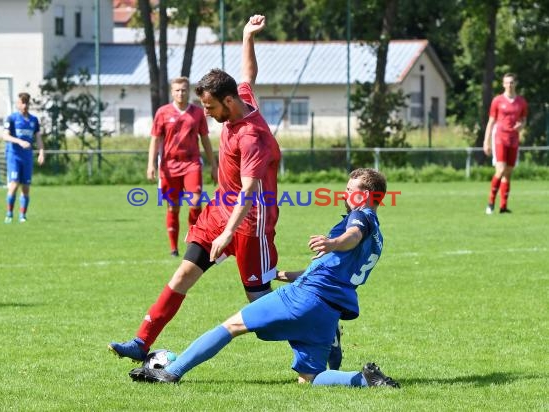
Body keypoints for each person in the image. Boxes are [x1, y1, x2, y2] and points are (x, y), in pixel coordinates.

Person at [109, 15, 282, 362]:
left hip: (251, 221)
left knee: (260, 308)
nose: (206, 112)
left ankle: (319, 333)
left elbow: (249, 193)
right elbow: (248, 74)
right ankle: (141, 342)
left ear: (229, 102)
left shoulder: (253, 137)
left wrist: (228, 233)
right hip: (219, 211)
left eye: (210, 107)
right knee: (184, 272)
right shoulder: (239, 97)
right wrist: (247, 36)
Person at [128, 168, 400, 389]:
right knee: (310, 378)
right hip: (328, 310)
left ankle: (170, 372)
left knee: (232, 326)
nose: (345, 193)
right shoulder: (378, 237)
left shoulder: (360, 217)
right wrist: (284, 274)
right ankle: (365, 380)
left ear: (364, 196)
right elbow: (334, 267)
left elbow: (351, 236)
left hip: (303, 298)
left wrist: (333, 242)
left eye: (350, 190)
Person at [148, 76, 218, 256]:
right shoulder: (162, 112)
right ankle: (173, 248)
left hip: (191, 163)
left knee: (195, 203)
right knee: (174, 206)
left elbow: (205, 139)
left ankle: (194, 243)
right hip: (169, 165)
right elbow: (155, 139)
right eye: (177, 90)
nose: (180, 93)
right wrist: (151, 164)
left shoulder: (197, 113)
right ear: (172, 92)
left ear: (189, 91)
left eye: (184, 90)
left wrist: (214, 165)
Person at [483, 73, 528, 214]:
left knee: (508, 173)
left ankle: (503, 207)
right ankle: (490, 204)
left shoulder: (521, 102)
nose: (509, 85)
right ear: (503, 84)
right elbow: (491, 122)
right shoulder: (497, 100)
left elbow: (524, 119)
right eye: (507, 83)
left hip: (513, 139)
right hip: (500, 138)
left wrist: (521, 125)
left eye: (512, 82)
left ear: (516, 84)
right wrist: (486, 141)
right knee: (500, 170)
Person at [3, 92, 45, 223]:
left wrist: (41, 152)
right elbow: (5, 136)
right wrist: (19, 141)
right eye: (22, 102)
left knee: (26, 187)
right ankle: (9, 214)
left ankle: (22, 216)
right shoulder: (11, 118)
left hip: (27, 157)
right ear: (18, 104)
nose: (25, 105)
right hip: (14, 156)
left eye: (27, 102)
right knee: (14, 184)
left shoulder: (34, 120)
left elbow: (38, 137)